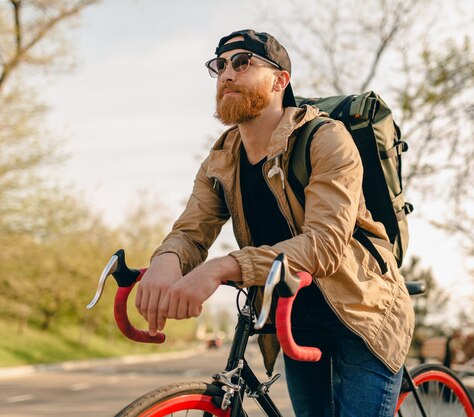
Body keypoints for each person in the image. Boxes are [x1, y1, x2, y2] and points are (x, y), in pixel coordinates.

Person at [135, 29, 414, 417]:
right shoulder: (220, 161)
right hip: (295, 318)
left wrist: (223, 267)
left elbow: (324, 245)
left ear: (281, 80)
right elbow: (189, 232)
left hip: (364, 315)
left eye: (243, 62)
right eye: (219, 65)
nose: (227, 74)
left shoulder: (326, 139)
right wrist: (166, 262)